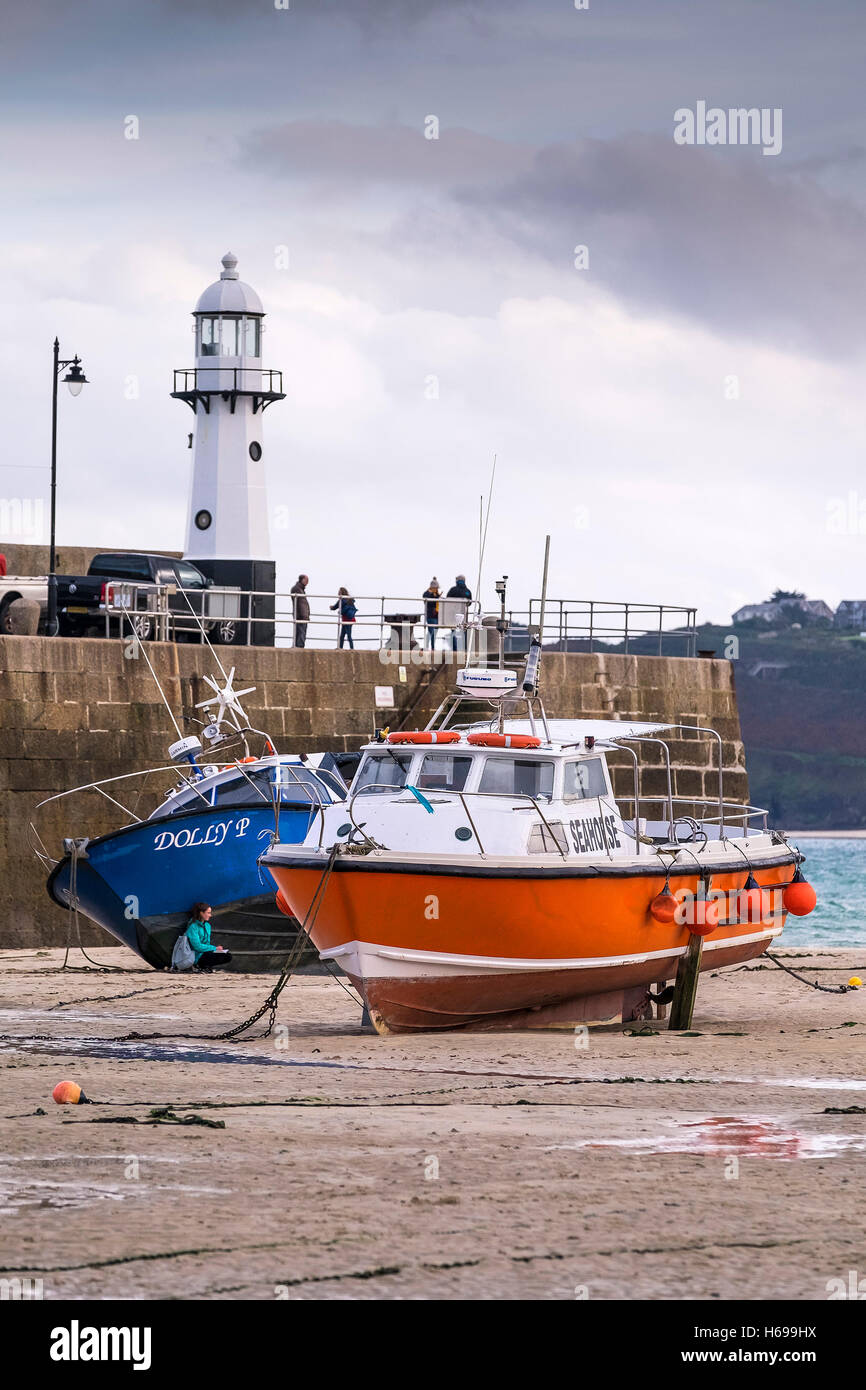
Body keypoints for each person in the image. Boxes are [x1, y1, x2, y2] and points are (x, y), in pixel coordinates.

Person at [186, 903, 232, 971]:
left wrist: (216, 949)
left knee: (227, 955)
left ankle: (205, 966)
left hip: (205, 952)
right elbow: (197, 947)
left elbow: (206, 943)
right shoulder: (193, 927)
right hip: (195, 955)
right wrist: (215, 948)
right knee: (219, 955)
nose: (210, 915)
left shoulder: (207, 925)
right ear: (201, 913)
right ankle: (198, 965)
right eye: (208, 913)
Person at [446, 574, 472, 651]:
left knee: (454, 630)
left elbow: (447, 600)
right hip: (464, 614)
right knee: (464, 630)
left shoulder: (453, 590)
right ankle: (464, 648)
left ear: (457, 581)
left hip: (453, 615)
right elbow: (470, 602)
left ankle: (454, 649)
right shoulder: (467, 591)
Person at [291, 574, 310, 648]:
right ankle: (299, 647)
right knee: (301, 632)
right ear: (302, 580)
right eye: (306, 580)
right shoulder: (297, 589)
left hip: (302, 615)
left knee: (300, 632)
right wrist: (304, 614)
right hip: (301, 615)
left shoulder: (300, 589)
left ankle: (298, 646)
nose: (307, 582)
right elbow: (301, 604)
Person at [422, 578, 441, 649]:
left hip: (437, 616)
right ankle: (428, 646)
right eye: (436, 588)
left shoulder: (436, 594)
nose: (436, 589)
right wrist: (432, 595)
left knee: (434, 632)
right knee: (431, 631)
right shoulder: (427, 593)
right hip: (430, 616)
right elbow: (425, 599)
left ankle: (432, 646)